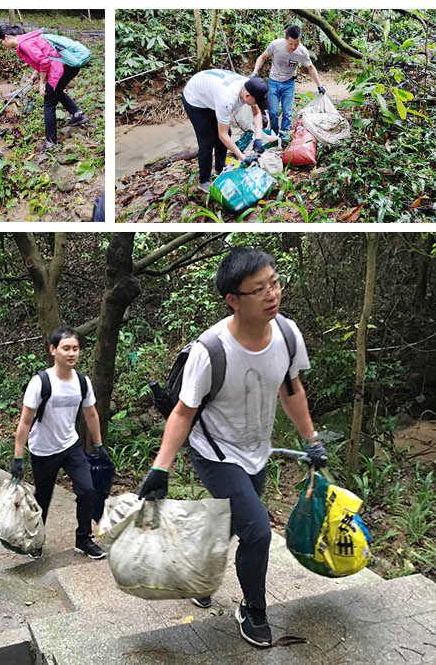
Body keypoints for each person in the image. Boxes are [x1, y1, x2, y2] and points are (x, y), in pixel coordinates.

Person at [138, 245, 328, 648]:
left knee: (231, 519)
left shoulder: (287, 335)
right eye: (258, 289)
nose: (272, 294)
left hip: (256, 450)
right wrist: (160, 468)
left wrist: (311, 440)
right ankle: (253, 609)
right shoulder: (211, 351)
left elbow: (291, 389)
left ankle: (196, 574)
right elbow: (183, 413)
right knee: (257, 531)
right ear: (233, 300)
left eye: (274, 283)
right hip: (215, 452)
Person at [11, 325, 109, 560]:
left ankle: (83, 539)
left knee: (87, 490)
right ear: (53, 350)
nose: (71, 353)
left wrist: (98, 445)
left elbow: (91, 414)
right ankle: (35, 540)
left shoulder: (82, 382)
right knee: (43, 498)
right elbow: (25, 421)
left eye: (75, 348)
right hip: (43, 449)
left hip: (70, 445)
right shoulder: (40, 382)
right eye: (66, 348)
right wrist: (18, 456)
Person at [0, 23, 88, 151]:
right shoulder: (28, 38)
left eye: (1, 42)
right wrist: (36, 73)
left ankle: (50, 142)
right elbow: (44, 55)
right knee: (55, 91)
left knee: (49, 102)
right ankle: (78, 115)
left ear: (6, 37)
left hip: (62, 68)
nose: (3, 45)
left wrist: (41, 83)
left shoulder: (24, 44)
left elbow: (44, 62)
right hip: (67, 66)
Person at [182, 70, 269, 194]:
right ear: (247, 96)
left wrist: (258, 138)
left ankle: (220, 169)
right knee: (207, 142)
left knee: (227, 134)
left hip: (211, 93)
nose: (257, 104)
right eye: (256, 102)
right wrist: (244, 158)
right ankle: (204, 181)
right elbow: (222, 135)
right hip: (195, 100)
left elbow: (257, 113)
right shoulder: (227, 99)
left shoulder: (250, 86)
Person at [253, 24, 326, 144]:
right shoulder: (275, 45)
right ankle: (274, 135)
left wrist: (319, 85)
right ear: (285, 38)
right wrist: (255, 72)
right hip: (273, 82)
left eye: (296, 44)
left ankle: (284, 137)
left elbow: (310, 67)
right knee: (273, 112)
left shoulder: (302, 51)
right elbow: (262, 57)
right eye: (291, 43)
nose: (293, 47)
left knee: (287, 113)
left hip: (289, 83)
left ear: (300, 40)